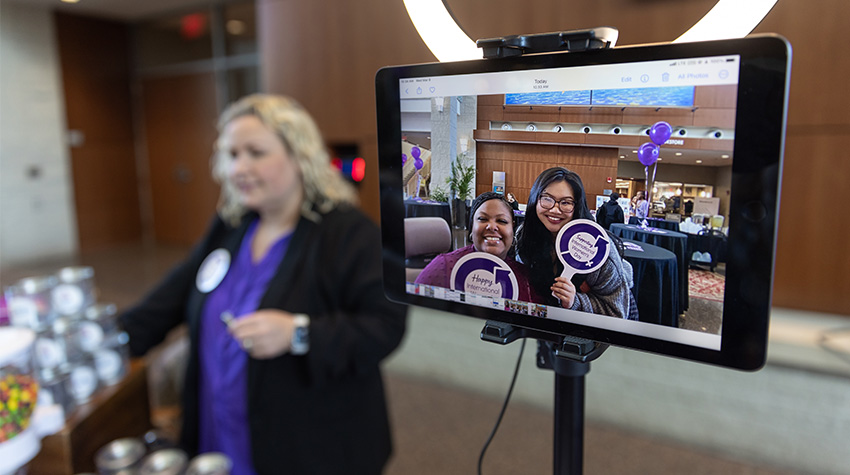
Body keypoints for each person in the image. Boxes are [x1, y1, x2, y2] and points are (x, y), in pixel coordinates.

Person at [119, 94, 406, 474]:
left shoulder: (349, 233)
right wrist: (104, 344)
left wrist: (298, 333)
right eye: (232, 154)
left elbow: (385, 327)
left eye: (255, 152)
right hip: (221, 426)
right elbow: (169, 299)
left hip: (308, 443)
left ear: (299, 156)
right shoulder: (232, 224)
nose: (239, 167)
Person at [516, 167, 635, 319]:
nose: (555, 209)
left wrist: (575, 301)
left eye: (566, 202)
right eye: (547, 198)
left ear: (577, 206)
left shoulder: (598, 248)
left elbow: (616, 313)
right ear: (535, 199)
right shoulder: (524, 236)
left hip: (583, 335)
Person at [415, 191, 537, 302]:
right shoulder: (443, 267)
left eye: (502, 221)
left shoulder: (526, 279)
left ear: (512, 229)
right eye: (483, 219)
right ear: (472, 228)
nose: (492, 226)